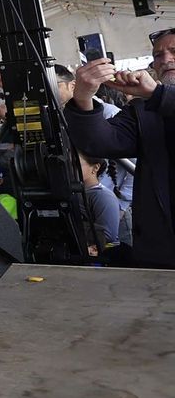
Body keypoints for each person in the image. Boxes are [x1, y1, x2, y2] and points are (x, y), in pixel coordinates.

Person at [65, 27, 174, 267]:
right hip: (161, 253)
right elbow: (100, 142)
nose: (165, 59)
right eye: (158, 55)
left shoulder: (154, 100)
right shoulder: (144, 109)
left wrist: (158, 95)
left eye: (173, 51)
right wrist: (83, 98)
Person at [77, 153, 122, 264]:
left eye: (77, 164)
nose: (71, 168)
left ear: (95, 167)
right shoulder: (74, 193)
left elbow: (107, 235)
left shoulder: (102, 196)